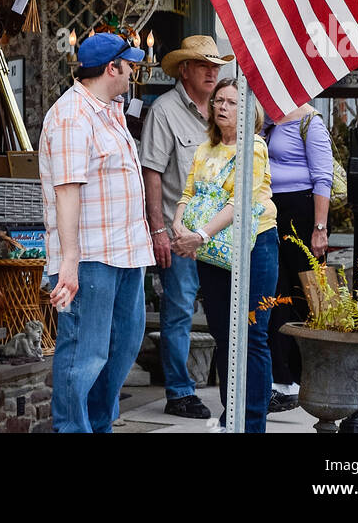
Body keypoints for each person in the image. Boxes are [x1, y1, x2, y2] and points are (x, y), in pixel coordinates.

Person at [39, 32, 154, 433]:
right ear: (112, 68)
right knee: (83, 353)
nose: (133, 70)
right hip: (89, 258)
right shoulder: (72, 115)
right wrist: (68, 263)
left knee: (123, 346)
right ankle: (72, 427)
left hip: (125, 253)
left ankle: (99, 424)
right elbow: (67, 192)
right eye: (129, 64)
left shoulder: (109, 109)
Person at [173, 77, 278, 433]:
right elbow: (187, 193)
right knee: (223, 333)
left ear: (249, 110)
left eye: (232, 102)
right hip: (212, 251)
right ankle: (229, 415)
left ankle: (251, 423)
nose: (222, 107)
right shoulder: (206, 149)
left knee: (252, 335)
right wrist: (178, 226)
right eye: (218, 100)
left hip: (254, 246)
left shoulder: (255, 146)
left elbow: (240, 203)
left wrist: (198, 235)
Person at [139, 35, 225, 419]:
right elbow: (152, 173)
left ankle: (235, 389)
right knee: (178, 313)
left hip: (223, 235)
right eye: (203, 64)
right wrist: (158, 230)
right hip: (183, 237)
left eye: (216, 65)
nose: (212, 71)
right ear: (184, 69)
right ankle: (179, 392)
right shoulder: (165, 111)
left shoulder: (226, 107)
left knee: (231, 313)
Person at [264, 102, 334, 412]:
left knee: (309, 296)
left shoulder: (310, 122)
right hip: (270, 211)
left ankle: (313, 375)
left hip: (302, 213)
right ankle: (282, 380)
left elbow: (323, 178)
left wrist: (320, 228)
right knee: (276, 295)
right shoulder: (267, 117)